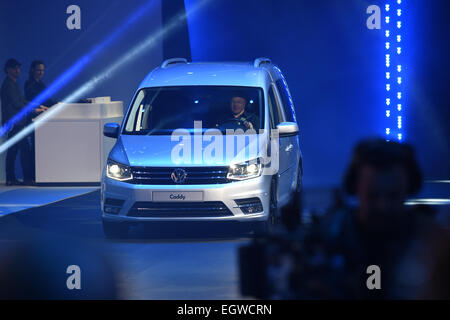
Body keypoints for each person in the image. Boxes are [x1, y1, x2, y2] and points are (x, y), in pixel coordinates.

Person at [1, 59, 47, 185]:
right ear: (8, 70)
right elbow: (17, 103)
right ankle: (25, 178)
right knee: (23, 149)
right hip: (14, 122)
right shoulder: (8, 84)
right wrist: (35, 108)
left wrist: (37, 106)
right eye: (14, 68)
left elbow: (22, 101)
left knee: (14, 150)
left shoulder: (13, 83)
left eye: (18, 68)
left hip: (17, 121)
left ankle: (11, 178)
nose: (17, 71)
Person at [24, 60, 56, 183]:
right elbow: (32, 100)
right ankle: (32, 176)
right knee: (34, 149)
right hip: (34, 120)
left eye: (42, 70)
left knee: (39, 148)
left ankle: (38, 175)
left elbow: (48, 99)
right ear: (32, 70)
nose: (40, 72)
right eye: (38, 70)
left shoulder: (41, 84)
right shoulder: (29, 84)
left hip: (42, 120)